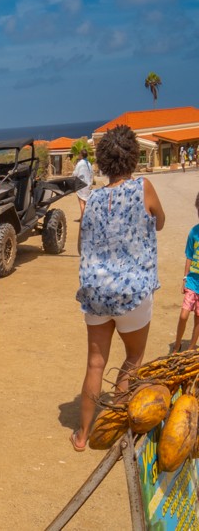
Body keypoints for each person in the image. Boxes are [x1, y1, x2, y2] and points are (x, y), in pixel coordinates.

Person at [70, 125, 167, 451]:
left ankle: (83, 435)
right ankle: (117, 432)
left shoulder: (94, 199)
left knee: (94, 364)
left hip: (97, 293)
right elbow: (161, 220)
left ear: (102, 161)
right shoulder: (144, 188)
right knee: (133, 358)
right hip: (133, 293)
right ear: (132, 157)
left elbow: (83, 244)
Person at [175, 192, 199, 352]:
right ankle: (177, 345)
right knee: (183, 316)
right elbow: (189, 256)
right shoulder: (194, 232)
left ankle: (190, 348)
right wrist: (185, 278)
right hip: (192, 281)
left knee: (198, 318)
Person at [74, 151, 95, 247]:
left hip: (81, 184)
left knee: (81, 201)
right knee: (86, 201)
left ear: (81, 155)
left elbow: (75, 173)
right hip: (88, 184)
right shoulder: (89, 164)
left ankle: (83, 217)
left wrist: (72, 178)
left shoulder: (80, 163)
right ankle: (85, 216)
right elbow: (92, 174)